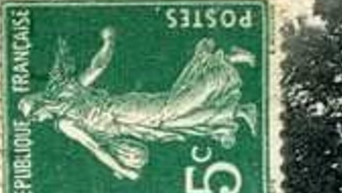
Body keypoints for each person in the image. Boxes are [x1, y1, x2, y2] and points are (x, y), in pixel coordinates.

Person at [16, 27, 258, 182]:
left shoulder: (66, 118)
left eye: (34, 116)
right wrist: (108, 41)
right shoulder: (66, 103)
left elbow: (95, 148)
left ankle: (225, 60)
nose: (38, 121)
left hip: (122, 109)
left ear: (40, 105)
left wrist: (125, 170)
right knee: (177, 123)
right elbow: (96, 68)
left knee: (174, 107)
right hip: (127, 127)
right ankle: (238, 111)